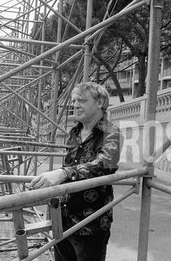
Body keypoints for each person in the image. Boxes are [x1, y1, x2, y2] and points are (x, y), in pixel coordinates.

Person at [27, 81, 121, 261]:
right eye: (74, 101)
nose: (75, 105)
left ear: (100, 103)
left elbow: (105, 164)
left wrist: (63, 173)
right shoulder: (74, 132)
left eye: (82, 100)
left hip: (90, 224)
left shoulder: (111, 132)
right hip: (62, 218)